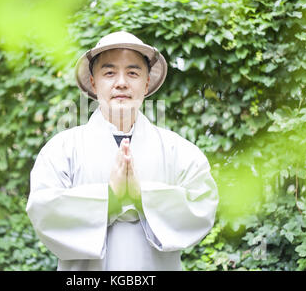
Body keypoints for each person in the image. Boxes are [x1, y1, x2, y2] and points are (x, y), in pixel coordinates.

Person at [26, 31, 219, 271]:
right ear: (94, 82)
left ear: (147, 82)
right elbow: (44, 211)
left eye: (133, 73)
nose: (121, 83)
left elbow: (202, 205)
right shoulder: (61, 149)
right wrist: (111, 197)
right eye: (109, 73)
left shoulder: (178, 150)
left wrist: (142, 195)